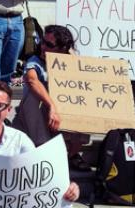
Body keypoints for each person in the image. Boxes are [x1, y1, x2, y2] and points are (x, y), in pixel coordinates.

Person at [12, 25, 92, 171]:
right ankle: (45, 150)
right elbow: (32, 80)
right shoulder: (34, 61)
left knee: (81, 95)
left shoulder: (69, 62)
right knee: (33, 97)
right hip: (35, 119)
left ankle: (72, 154)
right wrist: (51, 106)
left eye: (49, 45)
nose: (43, 47)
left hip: (58, 120)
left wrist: (68, 53)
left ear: (62, 49)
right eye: (42, 42)